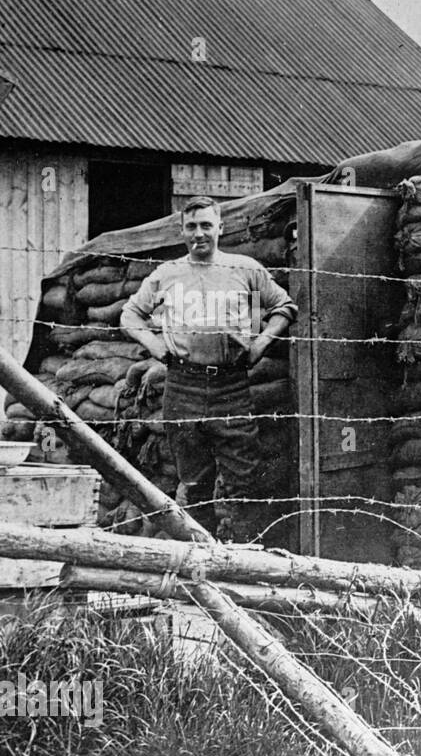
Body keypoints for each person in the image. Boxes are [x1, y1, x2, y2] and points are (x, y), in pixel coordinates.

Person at [121, 196, 297, 541]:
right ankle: (203, 554)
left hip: (231, 385)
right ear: (182, 231)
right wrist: (157, 349)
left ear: (221, 227)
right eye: (191, 227)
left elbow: (284, 306)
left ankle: (246, 552)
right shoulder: (167, 274)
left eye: (206, 225)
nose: (198, 234)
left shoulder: (244, 268)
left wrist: (261, 344)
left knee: (246, 476)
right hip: (183, 384)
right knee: (195, 480)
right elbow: (130, 314)